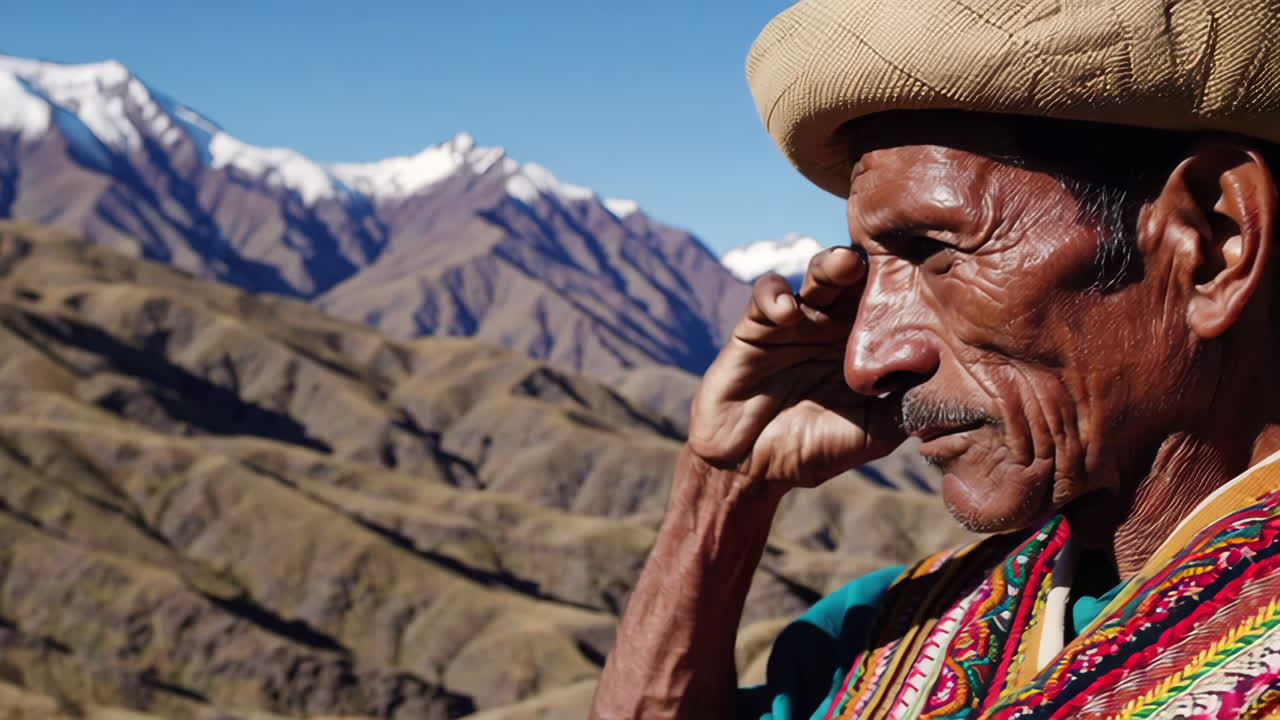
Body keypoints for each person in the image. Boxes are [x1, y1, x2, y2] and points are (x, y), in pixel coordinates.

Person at [589, 0, 1280, 718]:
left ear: (1210, 241)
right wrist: (724, 485)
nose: (864, 360)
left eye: (935, 252)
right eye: (872, 268)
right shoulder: (879, 635)